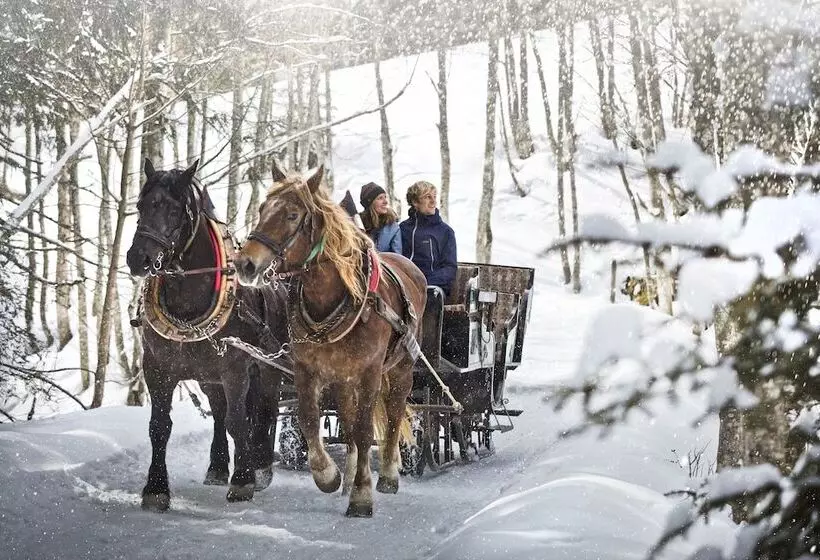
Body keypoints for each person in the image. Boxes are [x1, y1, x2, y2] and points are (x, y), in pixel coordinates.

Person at [399, 181, 457, 296]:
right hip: (404, 285)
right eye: (427, 197)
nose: (433, 201)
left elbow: (449, 268)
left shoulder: (445, 232)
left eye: (434, 197)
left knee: (430, 297)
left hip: (432, 288)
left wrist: (424, 283)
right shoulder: (403, 228)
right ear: (415, 202)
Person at [359, 182, 402, 254]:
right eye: (380, 198)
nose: (385, 202)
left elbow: (397, 257)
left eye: (385, 197)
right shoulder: (358, 224)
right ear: (370, 202)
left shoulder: (392, 226)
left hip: (384, 264)